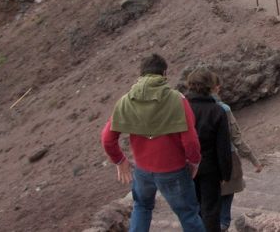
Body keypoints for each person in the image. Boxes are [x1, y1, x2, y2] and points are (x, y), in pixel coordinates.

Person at [101, 54, 205, 232]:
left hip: (143, 171)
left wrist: (120, 160)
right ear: (164, 73)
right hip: (174, 171)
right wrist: (194, 161)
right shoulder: (177, 100)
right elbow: (190, 141)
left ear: (141, 74)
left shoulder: (126, 101)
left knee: (142, 207)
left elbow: (107, 138)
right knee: (187, 214)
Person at [212, 76, 262, 232]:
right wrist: (254, 160)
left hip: (202, 160)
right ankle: (223, 223)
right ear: (217, 87)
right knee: (227, 191)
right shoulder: (223, 109)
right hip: (227, 157)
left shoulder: (189, 106)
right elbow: (236, 139)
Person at [186, 68, 232, 232]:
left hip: (185, 166)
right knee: (211, 210)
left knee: (191, 208)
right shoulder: (217, 111)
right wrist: (226, 173)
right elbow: (223, 146)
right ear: (211, 87)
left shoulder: (182, 109)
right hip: (210, 168)